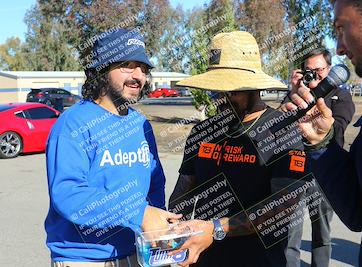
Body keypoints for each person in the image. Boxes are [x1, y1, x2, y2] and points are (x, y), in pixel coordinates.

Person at [168, 30, 315, 267]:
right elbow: (183, 190)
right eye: (216, 91)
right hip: (203, 259)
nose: (221, 99)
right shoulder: (203, 132)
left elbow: (282, 207)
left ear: (254, 88)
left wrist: (217, 228)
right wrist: (174, 231)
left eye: (231, 91)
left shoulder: (281, 132)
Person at [45, 28, 181, 267]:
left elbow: (155, 184)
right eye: (127, 65)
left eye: (143, 68)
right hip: (85, 259)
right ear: (101, 70)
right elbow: (68, 194)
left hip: (139, 254)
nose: (138, 76)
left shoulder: (140, 124)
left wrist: (159, 231)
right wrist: (139, 214)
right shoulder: (73, 124)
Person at [282, 0, 362, 266]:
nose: (340, 47)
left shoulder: (354, 104)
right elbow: (359, 213)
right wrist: (320, 143)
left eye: (340, 27)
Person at [281, 48, 355, 267]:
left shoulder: (341, 96)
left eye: (319, 70)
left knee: (322, 233)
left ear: (330, 69)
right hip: (294, 172)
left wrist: (317, 100)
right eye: (308, 71)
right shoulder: (297, 96)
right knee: (290, 234)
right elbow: (278, 128)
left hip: (324, 174)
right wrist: (293, 92)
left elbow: (338, 130)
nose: (314, 75)